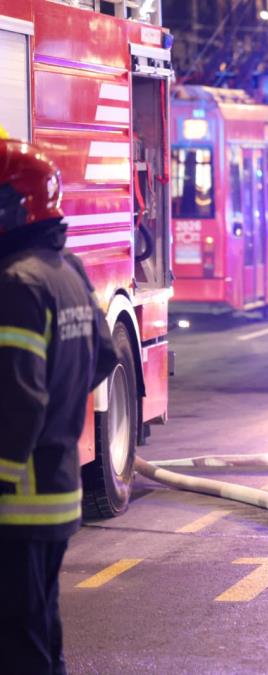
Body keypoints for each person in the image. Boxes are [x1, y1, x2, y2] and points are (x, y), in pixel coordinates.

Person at [0, 139, 117, 673]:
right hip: (58, 491)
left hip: (17, 505)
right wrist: (61, 411)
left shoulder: (16, 284)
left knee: (18, 647)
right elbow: (103, 355)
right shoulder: (66, 269)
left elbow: (17, 402)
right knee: (40, 636)